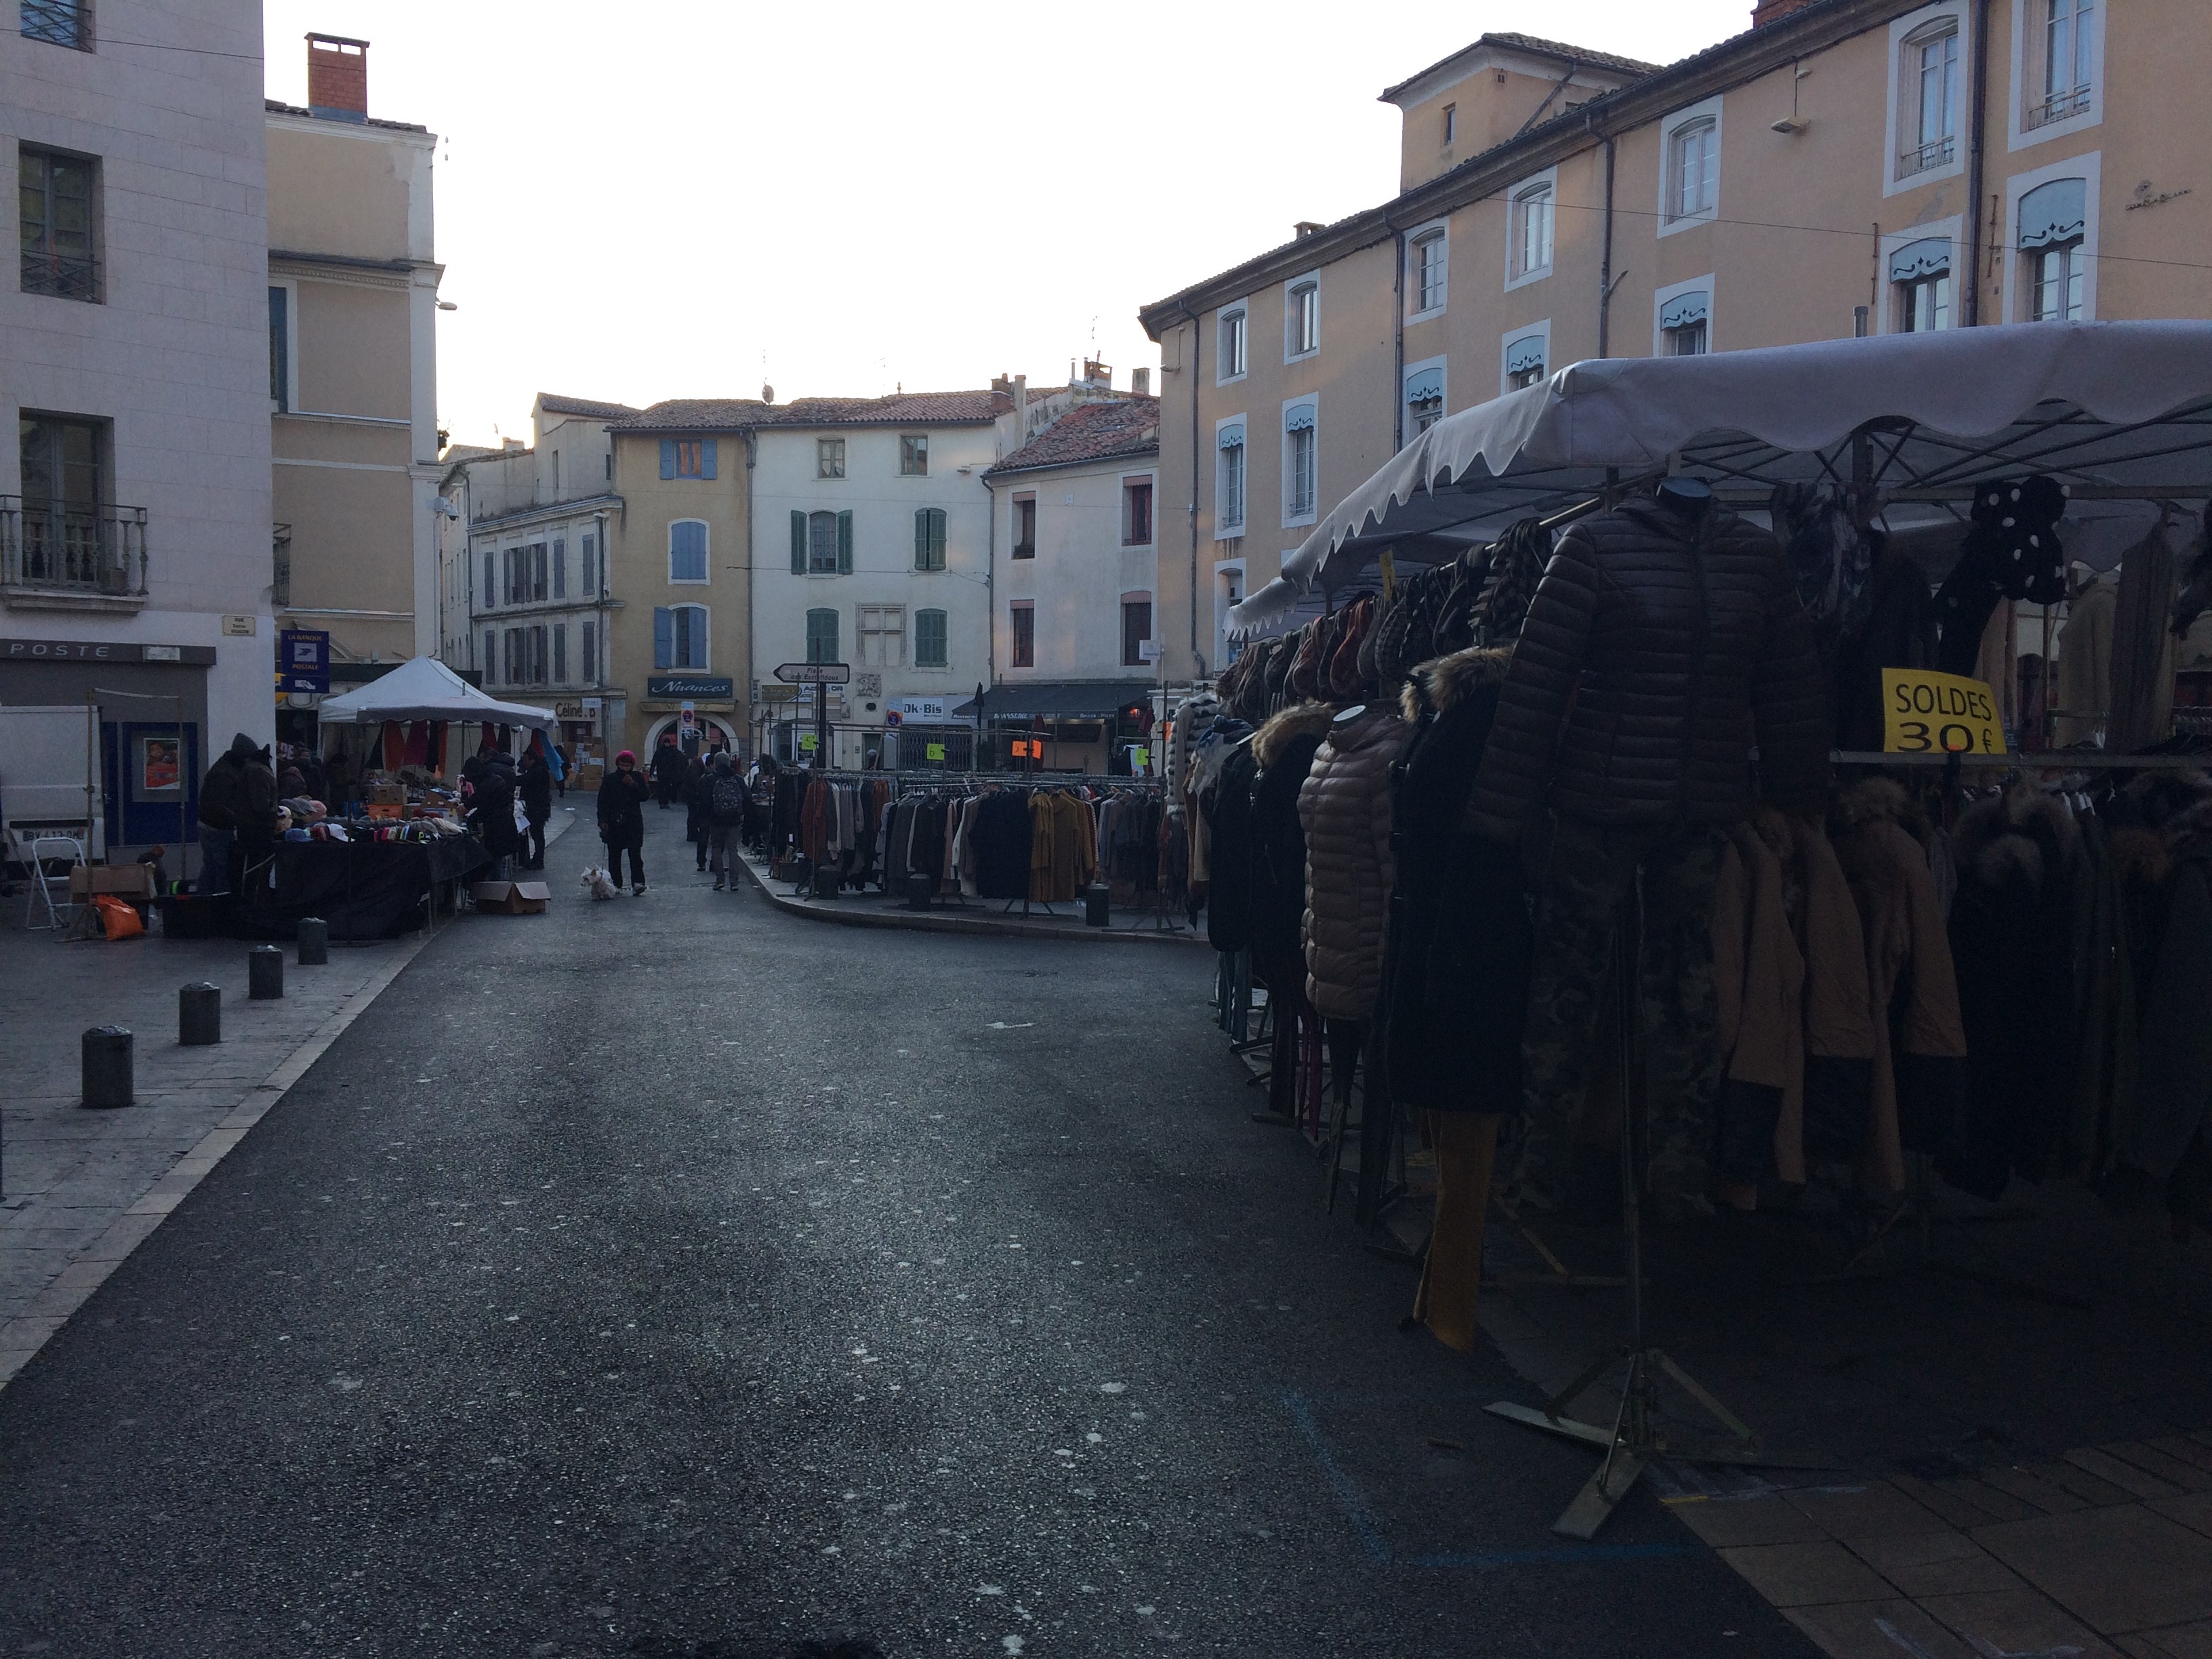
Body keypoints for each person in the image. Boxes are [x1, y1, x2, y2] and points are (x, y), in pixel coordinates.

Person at [598, 748, 651, 895]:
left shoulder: (637, 777)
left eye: (628, 765)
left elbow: (645, 796)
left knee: (635, 854)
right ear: (618, 764)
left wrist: (633, 784)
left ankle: (638, 882)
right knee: (614, 855)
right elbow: (603, 801)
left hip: (633, 822)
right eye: (623, 765)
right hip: (614, 822)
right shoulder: (610, 779)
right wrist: (602, 820)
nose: (625, 768)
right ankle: (616, 884)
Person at [468, 749, 522, 880]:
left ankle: (496, 894)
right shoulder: (499, 776)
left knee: (495, 860)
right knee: (499, 860)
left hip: (497, 827)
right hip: (505, 824)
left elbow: (484, 804)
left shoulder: (489, 778)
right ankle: (499, 892)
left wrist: (471, 818)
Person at [703, 751, 747, 890]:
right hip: (734, 820)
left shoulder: (711, 779)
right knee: (733, 850)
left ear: (716, 764)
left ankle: (720, 879)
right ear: (729, 763)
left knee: (716, 848)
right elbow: (748, 797)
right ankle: (734, 882)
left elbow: (704, 801)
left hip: (716, 820)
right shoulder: (738, 779)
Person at [516, 744, 552, 870]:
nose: (524, 763)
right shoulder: (538, 770)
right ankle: (537, 858)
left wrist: (510, 779)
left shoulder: (538, 771)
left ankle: (539, 859)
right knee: (536, 834)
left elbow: (524, 780)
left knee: (537, 834)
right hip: (538, 807)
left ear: (533, 760)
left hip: (538, 808)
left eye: (526, 760)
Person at [649, 733, 687, 808]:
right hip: (662, 773)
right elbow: (654, 762)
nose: (667, 744)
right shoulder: (660, 752)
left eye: (668, 743)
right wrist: (652, 771)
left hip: (669, 773)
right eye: (666, 743)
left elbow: (677, 761)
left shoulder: (672, 751)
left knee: (667, 788)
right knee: (662, 788)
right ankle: (662, 803)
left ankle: (665, 803)